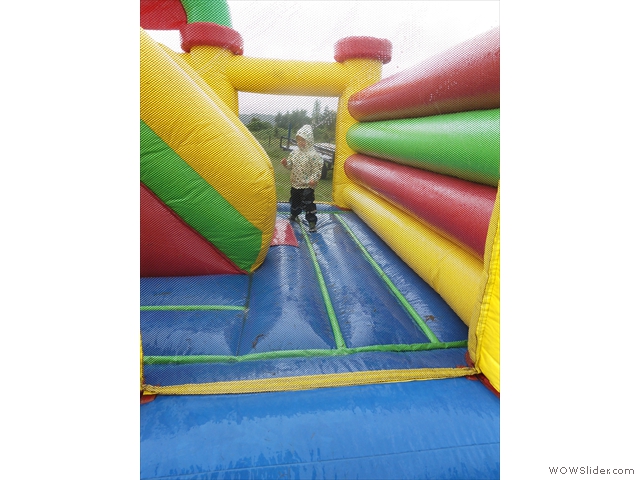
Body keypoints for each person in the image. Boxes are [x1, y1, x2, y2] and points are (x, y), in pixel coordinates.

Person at [281, 125, 324, 232]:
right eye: (299, 140)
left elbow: (317, 169)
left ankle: (312, 222)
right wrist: (286, 163)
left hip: (307, 185)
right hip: (296, 183)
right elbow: (291, 165)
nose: (300, 142)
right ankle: (294, 214)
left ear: (309, 140)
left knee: (308, 203)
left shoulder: (313, 155)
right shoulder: (295, 153)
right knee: (295, 201)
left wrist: (314, 179)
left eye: (303, 140)